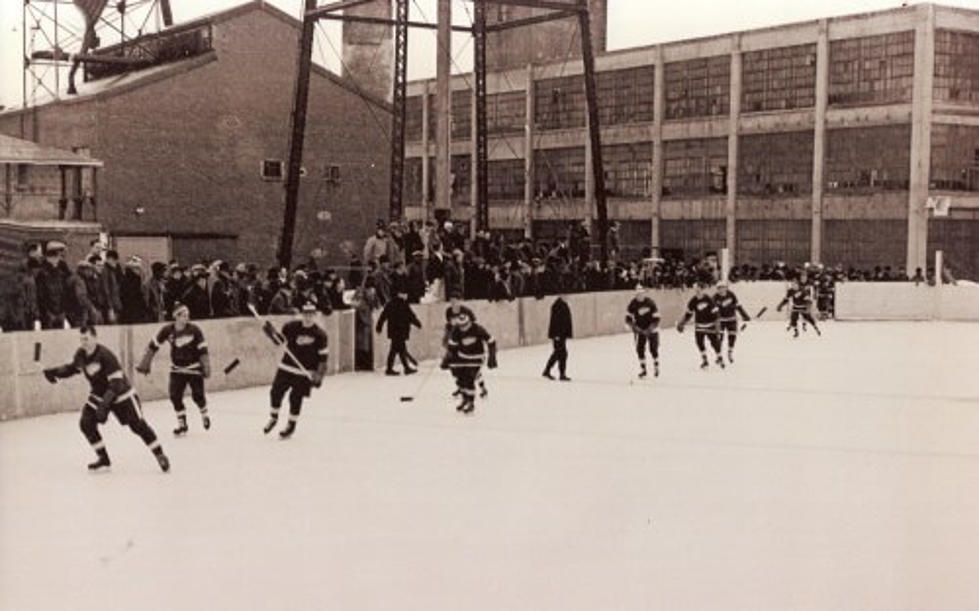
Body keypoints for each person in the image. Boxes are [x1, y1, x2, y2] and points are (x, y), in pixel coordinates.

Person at [42, 325, 170, 472]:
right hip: (99, 393)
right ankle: (103, 458)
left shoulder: (105, 355)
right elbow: (72, 368)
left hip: (122, 394)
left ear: (95, 338)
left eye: (87, 339)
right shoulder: (81, 354)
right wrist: (55, 372)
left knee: (138, 426)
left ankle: (160, 454)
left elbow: (116, 384)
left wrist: (104, 405)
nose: (84, 343)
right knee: (86, 423)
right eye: (81, 339)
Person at [135, 302, 212, 435]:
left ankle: (204, 414)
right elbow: (153, 345)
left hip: (194, 369)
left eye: (188, 315)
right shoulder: (167, 330)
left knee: (198, 396)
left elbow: (203, 349)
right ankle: (182, 424)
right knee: (175, 396)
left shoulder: (194, 330)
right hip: (177, 369)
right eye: (183, 315)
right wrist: (145, 363)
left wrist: (205, 365)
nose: (187, 318)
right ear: (176, 317)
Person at [260, 302, 328, 438]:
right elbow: (279, 341)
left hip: (304, 371)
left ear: (315, 315)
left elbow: (323, 358)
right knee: (275, 392)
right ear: (302, 314)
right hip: (286, 367)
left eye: (311, 314)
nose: (308, 317)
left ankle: (291, 425)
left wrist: (319, 376)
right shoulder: (291, 327)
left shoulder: (320, 335)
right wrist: (271, 333)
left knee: (295, 398)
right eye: (305, 314)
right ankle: (273, 417)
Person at [442, 307, 497, 415]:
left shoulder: (478, 329)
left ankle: (471, 402)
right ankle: (465, 399)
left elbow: (491, 341)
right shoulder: (456, 330)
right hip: (462, 357)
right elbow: (452, 347)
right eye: (461, 326)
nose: (463, 329)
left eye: (465, 326)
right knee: (460, 379)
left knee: (469, 378)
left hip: (476, 357)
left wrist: (492, 357)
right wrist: (448, 360)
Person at [443, 292, 487, 398]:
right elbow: (448, 326)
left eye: (456, 300)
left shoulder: (466, 311)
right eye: (452, 301)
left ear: (460, 301)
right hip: (455, 341)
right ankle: (461, 388)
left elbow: (472, 326)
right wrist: (447, 341)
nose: (454, 303)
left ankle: (482, 387)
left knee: (471, 369)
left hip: (466, 346)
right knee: (455, 368)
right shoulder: (448, 311)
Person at [677, 282, 724, 370]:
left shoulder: (709, 300)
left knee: (714, 343)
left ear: (702, 290)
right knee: (699, 343)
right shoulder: (693, 301)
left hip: (710, 325)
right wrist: (681, 323)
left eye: (699, 290)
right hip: (699, 326)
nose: (697, 292)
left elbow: (716, 314)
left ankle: (719, 357)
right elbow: (688, 314)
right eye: (696, 290)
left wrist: (717, 325)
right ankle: (705, 360)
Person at [375, 290, 421, 376]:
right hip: (401, 331)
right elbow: (411, 316)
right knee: (398, 349)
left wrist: (379, 327)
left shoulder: (390, 304)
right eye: (404, 293)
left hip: (394, 332)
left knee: (397, 349)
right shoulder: (404, 305)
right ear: (399, 294)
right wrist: (418, 324)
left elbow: (383, 316)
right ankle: (401, 368)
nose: (406, 295)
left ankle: (400, 368)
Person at [625, 285, 661, 378]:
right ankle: (643, 369)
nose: (639, 296)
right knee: (640, 349)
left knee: (653, 348)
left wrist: (650, 329)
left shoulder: (650, 303)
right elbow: (628, 319)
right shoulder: (632, 304)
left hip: (652, 329)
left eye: (641, 294)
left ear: (644, 294)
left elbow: (657, 318)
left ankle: (656, 364)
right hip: (640, 330)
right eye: (637, 294)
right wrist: (634, 327)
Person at [713, 283, 751, 363]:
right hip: (721, 321)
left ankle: (730, 352)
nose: (721, 290)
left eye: (723, 288)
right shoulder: (715, 297)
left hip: (732, 319)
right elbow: (714, 310)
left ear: (726, 288)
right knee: (719, 338)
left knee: (732, 336)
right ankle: (719, 355)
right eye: (719, 288)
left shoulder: (731, 294)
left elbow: (737, 305)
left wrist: (745, 315)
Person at [543, 293, 572, 381]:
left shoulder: (563, 304)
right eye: (566, 295)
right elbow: (555, 321)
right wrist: (556, 335)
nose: (568, 297)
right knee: (561, 353)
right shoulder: (557, 305)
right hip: (558, 334)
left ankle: (547, 371)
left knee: (558, 353)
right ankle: (561, 374)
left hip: (561, 334)